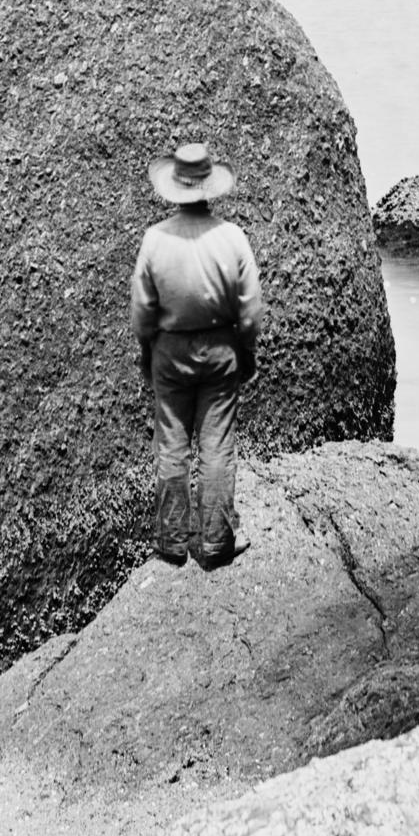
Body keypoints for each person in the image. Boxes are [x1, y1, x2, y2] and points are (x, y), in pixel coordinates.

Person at [133, 139, 264, 567]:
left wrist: (145, 351)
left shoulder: (154, 240)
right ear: (210, 189)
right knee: (217, 447)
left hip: (169, 352)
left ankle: (172, 542)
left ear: (175, 188)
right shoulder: (232, 238)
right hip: (220, 349)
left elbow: (142, 312)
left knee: (171, 444)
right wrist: (245, 352)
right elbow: (250, 312)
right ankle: (215, 542)